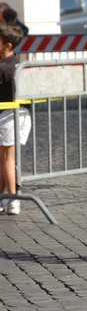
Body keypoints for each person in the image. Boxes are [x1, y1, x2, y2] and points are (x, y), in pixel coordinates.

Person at [0, 24, 31, 216]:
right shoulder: (17, 65)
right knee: (4, 159)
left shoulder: (5, 68)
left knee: (7, 158)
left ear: (7, 45)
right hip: (16, 115)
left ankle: (13, 199)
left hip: (9, 116)